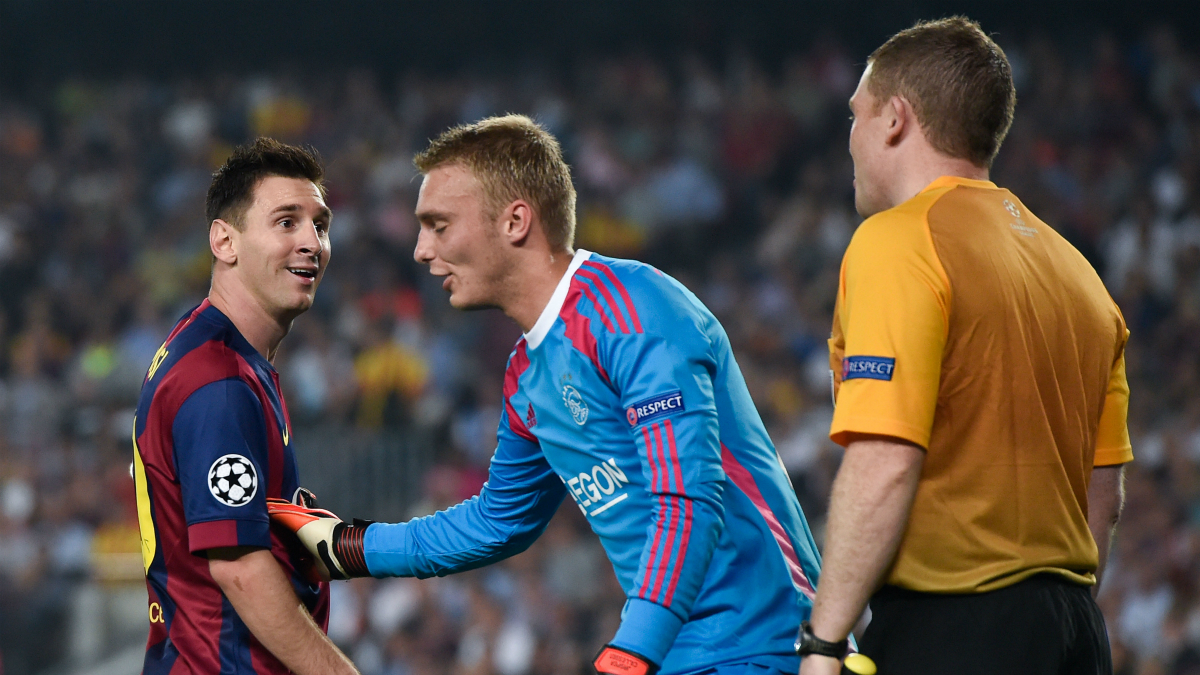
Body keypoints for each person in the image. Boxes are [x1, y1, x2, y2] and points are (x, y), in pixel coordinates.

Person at [270, 114, 824, 675]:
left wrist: (633, 648)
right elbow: (497, 521)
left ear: (515, 221)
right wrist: (349, 547)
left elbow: (685, 500)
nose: (419, 249)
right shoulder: (525, 373)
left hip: (764, 648)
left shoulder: (634, 312)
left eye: (438, 225)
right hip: (672, 656)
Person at [797, 17, 1132, 675]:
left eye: (854, 117)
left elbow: (886, 458)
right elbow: (1105, 494)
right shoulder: (1080, 275)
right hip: (1076, 633)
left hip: (953, 625)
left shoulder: (899, 241)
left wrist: (825, 642)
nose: (851, 140)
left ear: (895, 119)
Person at [131, 138, 358, 675]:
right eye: (286, 222)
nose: (313, 242)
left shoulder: (214, 349)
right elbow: (240, 569)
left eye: (320, 225)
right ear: (225, 241)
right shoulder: (220, 381)